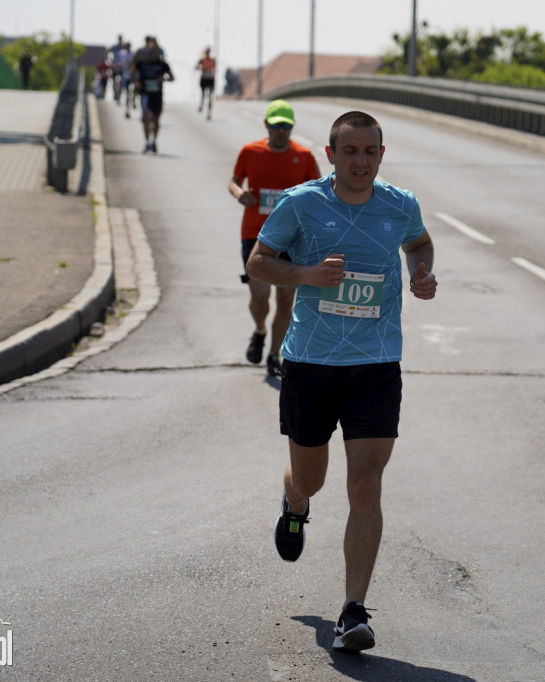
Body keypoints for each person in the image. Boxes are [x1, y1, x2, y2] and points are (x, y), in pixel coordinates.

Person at [246, 110, 437, 652]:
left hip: (376, 364)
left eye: (370, 151)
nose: (361, 161)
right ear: (331, 154)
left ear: (381, 153)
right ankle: (295, 501)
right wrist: (305, 274)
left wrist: (421, 272)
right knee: (313, 479)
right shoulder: (302, 203)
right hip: (310, 362)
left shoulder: (400, 204)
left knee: (366, 483)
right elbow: (260, 261)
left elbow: (419, 243)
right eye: (349, 151)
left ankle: (353, 609)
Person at [229, 100, 321, 377]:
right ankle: (259, 330)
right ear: (266, 125)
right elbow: (233, 180)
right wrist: (239, 194)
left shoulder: (303, 156)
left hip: (293, 239)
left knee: (285, 301)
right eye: (277, 125)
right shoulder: (250, 151)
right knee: (260, 296)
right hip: (255, 234)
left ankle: (274, 354)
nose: (282, 130)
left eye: (287, 126)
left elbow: (318, 191)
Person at [129, 44, 173, 153]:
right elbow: (131, 73)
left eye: (156, 52)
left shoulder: (163, 65)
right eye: (152, 51)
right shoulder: (142, 63)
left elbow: (172, 78)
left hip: (157, 95)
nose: (154, 54)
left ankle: (153, 141)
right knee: (146, 117)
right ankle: (147, 142)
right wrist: (136, 82)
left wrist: (163, 78)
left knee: (156, 120)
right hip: (145, 94)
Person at [196, 46, 216, 119]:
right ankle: (201, 105)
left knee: (210, 97)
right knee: (203, 95)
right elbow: (196, 67)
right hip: (204, 78)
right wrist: (201, 68)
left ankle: (209, 113)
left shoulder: (213, 60)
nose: (208, 53)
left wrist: (212, 72)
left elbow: (215, 69)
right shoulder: (202, 60)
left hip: (210, 79)